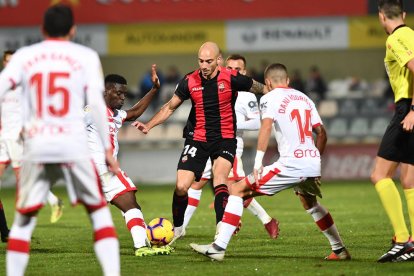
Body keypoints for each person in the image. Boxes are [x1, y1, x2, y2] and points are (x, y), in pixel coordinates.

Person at [0, 5, 120, 275]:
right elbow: (98, 106)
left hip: (37, 146)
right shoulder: (86, 56)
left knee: (23, 221)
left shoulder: (24, 56)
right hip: (73, 145)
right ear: (73, 29)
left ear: (42, 30)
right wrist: (107, 150)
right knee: (99, 214)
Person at [190, 63, 351, 262]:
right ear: (288, 80)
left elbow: (265, 127)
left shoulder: (268, 97)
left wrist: (258, 163)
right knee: (310, 202)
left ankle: (218, 247)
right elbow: (322, 134)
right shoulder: (305, 98)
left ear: (267, 82)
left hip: (291, 164)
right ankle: (340, 250)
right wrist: (315, 163)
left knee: (237, 190)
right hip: (311, 161)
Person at [132, 41, 265, 246]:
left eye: (209, 61)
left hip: (225, 138)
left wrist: (277, 91)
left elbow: (259, 87)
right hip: (197, 138)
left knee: (220, 179)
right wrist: (149, 125)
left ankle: (221, 231)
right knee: (181, 186)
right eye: (201, 61)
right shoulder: (190, 80)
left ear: (219, 61)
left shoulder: (230, 77)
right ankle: (177, 229)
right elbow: (170, 107)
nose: (204, 65)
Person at [182, 54, 279, 239]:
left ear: (244, 72)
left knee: (233, 188)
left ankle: (257, 220)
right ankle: (182, 228)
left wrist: (229, 124)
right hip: (210, 143)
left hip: (230, 146)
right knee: (198, 184)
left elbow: (257, 123)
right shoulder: (218, 86)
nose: (234, 72)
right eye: (231, 68)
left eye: (238, 69)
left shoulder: (247, 95)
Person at [85, 70, 172, 256]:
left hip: (100, 171)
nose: (123, 97)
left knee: (131, 206)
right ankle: (141, 247)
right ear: (105, 91)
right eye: (118, 93)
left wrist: (154, 89)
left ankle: (144, 244)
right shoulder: (92, 110)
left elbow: (134, 113)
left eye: (124, 93)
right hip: (101, 169)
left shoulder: (115, 114)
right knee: (131, 205)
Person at [0, 51, 64, 234]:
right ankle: (5, 231)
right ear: (4, 63)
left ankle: (52, 201)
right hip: (3, 137)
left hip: (18, 137)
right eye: (7, 61)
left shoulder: (25, 86)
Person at [371, 0, 414, 263]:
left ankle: (401, 239)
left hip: (406, 110)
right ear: (404, 14)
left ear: (381, 17)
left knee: (379, 175)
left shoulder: (396, 38)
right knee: (409, 181)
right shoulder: (411, 33)